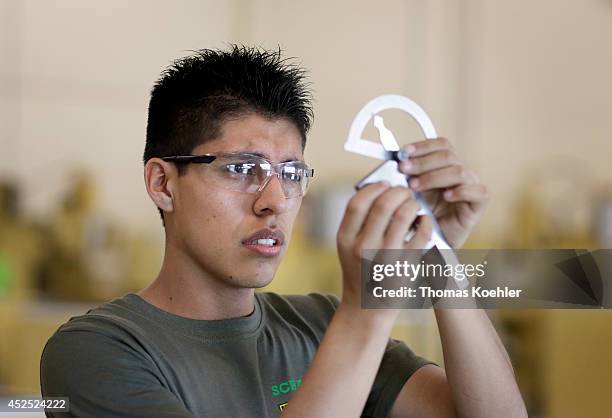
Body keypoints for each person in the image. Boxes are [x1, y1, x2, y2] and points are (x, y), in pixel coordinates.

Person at [40, 45, 526, 418]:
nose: (273, 200)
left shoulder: (318, 326)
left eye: (291, 173)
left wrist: (438, 258)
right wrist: (363, 315)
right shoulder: (95, 351)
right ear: (163, 183)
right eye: (239, 168)